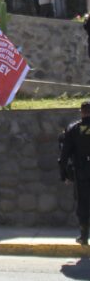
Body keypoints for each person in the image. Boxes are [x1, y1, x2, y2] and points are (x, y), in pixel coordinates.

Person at [59, 101, 90, 245]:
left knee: (83, 204)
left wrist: (64, 175)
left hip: (82, 172)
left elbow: (64, 155)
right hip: (82, 171)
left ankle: (84, 237)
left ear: (82, 112)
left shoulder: (74, 129)